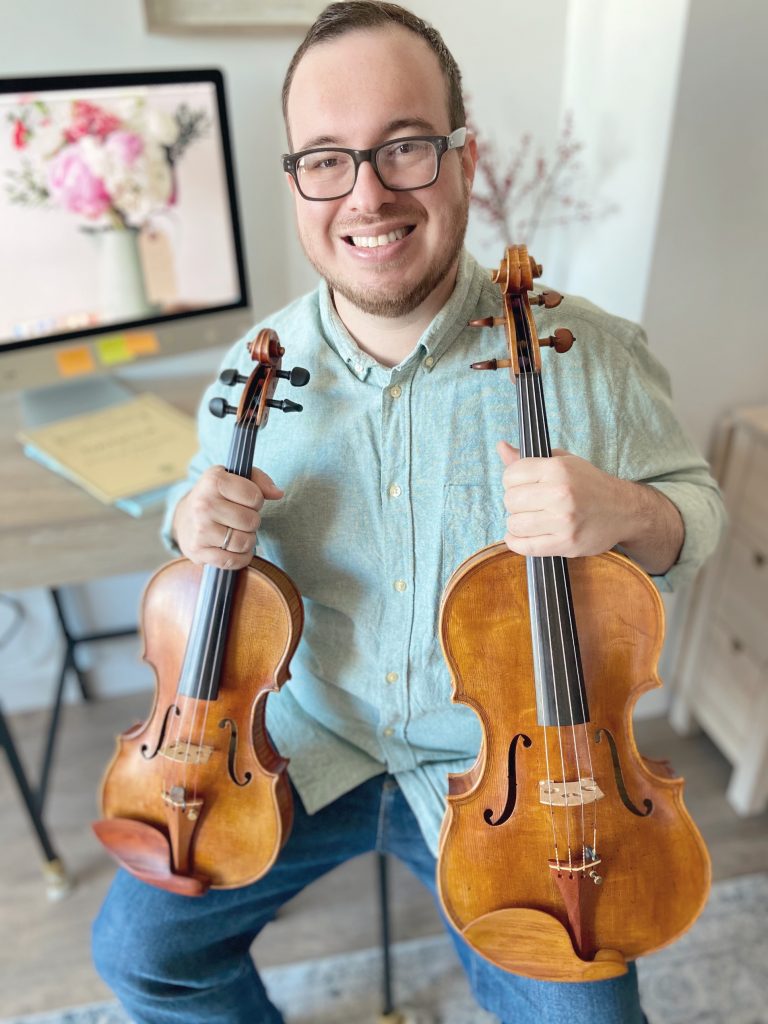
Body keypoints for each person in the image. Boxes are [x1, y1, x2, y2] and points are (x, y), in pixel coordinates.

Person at [92, 3, 725, 1022]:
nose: (368, 193)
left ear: (464, 159)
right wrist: (190, 520)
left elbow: (698, 513)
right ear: (296, 178)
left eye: (405, 148)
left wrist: (625, 511)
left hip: (523, 772)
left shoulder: (587, 353)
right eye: (329, 160)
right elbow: (198, 510)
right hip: (300, 743)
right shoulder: (253, 367)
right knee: (140, 955)